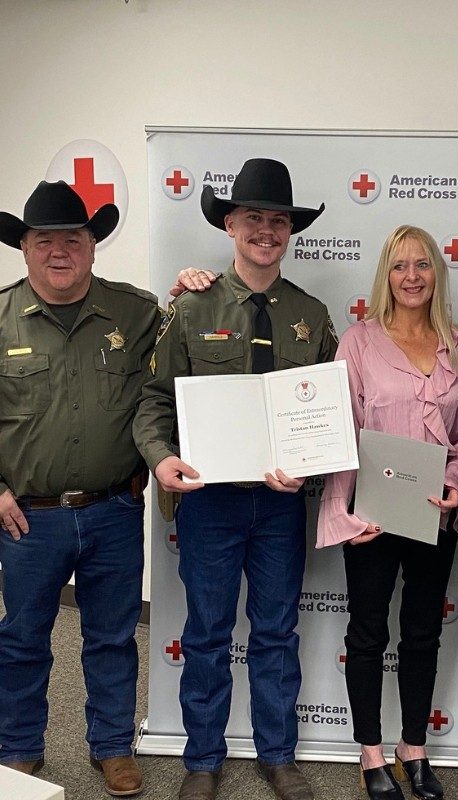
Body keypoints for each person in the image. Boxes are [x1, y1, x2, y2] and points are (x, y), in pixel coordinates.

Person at [133, 158, 338, 800]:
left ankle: (279, 756)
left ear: (290, 231)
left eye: (278, 220)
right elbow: (154, 400)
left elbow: (329, 415)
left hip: (280, 507)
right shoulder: (192, 306)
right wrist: (159, 458)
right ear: (230, 225)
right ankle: (202, 760)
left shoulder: (312, 315)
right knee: (207, 634)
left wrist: (309, 469)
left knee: (276, 633)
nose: (266, 231)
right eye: (254, 218)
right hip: (209, 503)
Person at [0, 180, 160, 796]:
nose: (59, 251)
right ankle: (18, 748)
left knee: (113, 637)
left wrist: (192, 285)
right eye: (45, 240)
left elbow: (169, 383)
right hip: (27, 516)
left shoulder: (137, 313)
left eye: (74, 238)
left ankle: (113, 747)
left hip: (113, 508)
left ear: (93, 246)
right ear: (24, 248)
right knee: (22, 638)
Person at [316, 225, 458, 800]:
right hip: (373, 518)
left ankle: (414, 748)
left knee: (423, 632)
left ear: (438, 271)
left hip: (434, 513)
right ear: (385, 275)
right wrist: (344, 514)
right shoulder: (358, 342)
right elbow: (340, 432)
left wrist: (456, 481)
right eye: (400, 265)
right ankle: (370, 751)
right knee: (367, 632)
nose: (412, 276)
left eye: (423, 264)